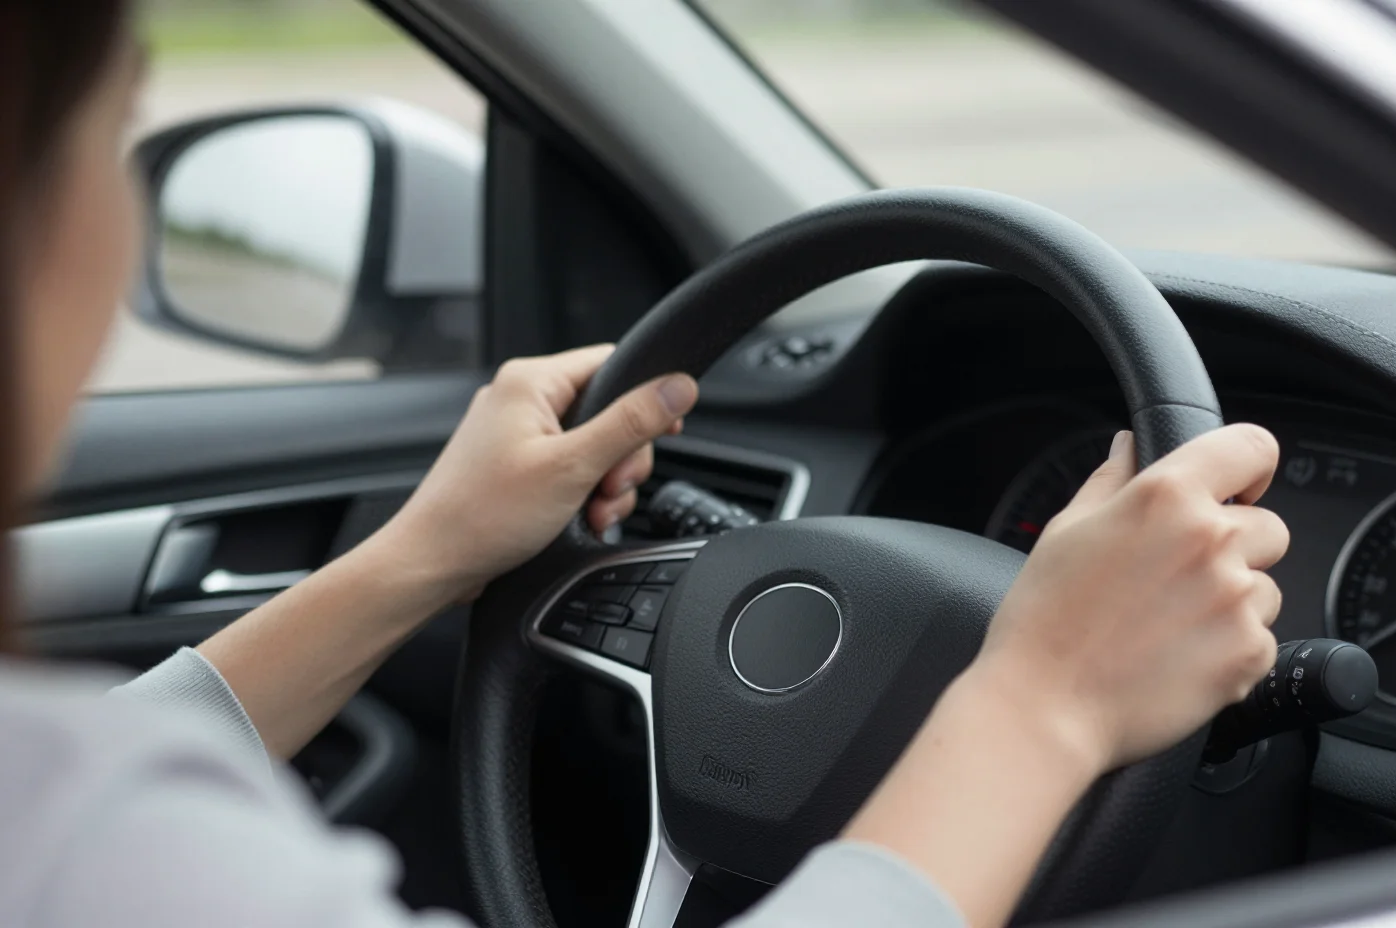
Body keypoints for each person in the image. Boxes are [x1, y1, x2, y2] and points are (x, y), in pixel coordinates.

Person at [0, 4, 1288, 928]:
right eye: (116, 136)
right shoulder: (112, 846)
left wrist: (430, 556)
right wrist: (1046, 699)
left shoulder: (67, 809)